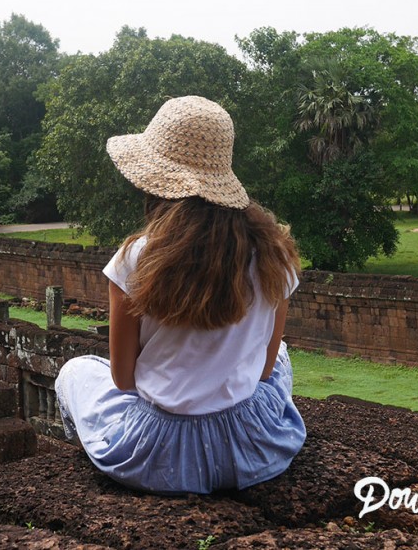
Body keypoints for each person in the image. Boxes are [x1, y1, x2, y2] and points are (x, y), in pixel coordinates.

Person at [54, 95, 306, 495]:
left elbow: (122, 379)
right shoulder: (274, 255)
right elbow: (263, 371)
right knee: (283, 358)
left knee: (76, 372)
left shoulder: (137, 258)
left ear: (155, 182)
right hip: (252, 448)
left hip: (160, 455)